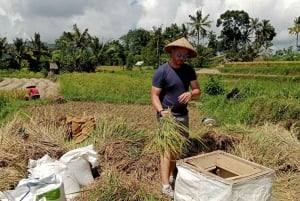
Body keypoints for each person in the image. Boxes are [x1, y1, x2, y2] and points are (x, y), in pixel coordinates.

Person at [151, 37, 201, 198]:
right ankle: (165, 185)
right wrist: (161, 111)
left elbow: (197, 91)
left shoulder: (188, 70)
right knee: (167, 151)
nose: (182, 58)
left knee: (176, 150)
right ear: (172, 51)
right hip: (168, 118)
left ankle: (172, 175)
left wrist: (190, 93)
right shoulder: (162, 71)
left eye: (185, 56)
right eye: (179, 55)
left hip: (183, 116)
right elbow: (154, 95)